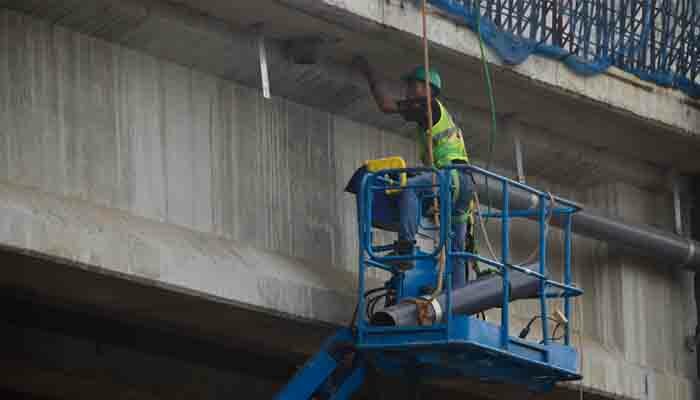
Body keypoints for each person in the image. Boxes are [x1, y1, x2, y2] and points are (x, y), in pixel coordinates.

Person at [353, 56, 474, 289]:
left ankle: (406, 249)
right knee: (457, 248)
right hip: (464, 184)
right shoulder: (437, 116)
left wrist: (369, 72)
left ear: (426, 88)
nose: (408, 91)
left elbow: (386, 106)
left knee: (411, 188)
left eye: (412, 86)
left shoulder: (426, 106)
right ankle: (459, 301)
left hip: (451, 178)